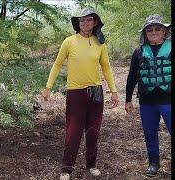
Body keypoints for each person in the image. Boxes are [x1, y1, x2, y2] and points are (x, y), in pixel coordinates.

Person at [42, 8, 119, 180]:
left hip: (96, 92)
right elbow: (57, 64)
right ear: (78, 23)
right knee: (73, 131)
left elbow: (106, 67)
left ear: (95, 22)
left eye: (89, 20)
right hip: (76, 92)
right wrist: (48, 87)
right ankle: (67, 168)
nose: (85, 23)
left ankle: (91, 164)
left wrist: (113, 91)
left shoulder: (100, 43)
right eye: (82, 20)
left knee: (93, 132)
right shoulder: (69, 42)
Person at [125, 14, 171, 177]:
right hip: (147, 101)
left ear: (164, 31)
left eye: (158, 28)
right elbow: (132, 76)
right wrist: (128, 99)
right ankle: (153, 163)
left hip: (169, 100)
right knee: (150, 133)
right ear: (145, 33)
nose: (153, 32)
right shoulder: (139, 52)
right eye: (149, 29)